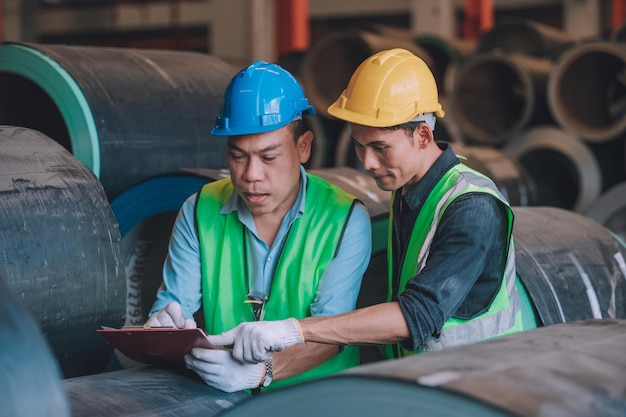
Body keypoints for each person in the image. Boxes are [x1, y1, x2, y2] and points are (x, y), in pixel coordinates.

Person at [207, 48, 524, 364]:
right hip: (432, 381)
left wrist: (295, 330)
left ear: (423, 136)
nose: (368, 163)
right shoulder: (410, 189)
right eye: (360, 147)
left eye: (380, 148)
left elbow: (417, 315)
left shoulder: (472, 209)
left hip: (481, 386)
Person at [145, 61, 372, 393]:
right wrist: (162, 330)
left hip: (319, 400)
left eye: (268, 158)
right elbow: (173, 305)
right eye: (238, 156)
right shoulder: (199, 210)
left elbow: (331, 334)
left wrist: (262, 372)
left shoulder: (344, 219)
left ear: (304, 147)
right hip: (228, 397)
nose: (251, 175)